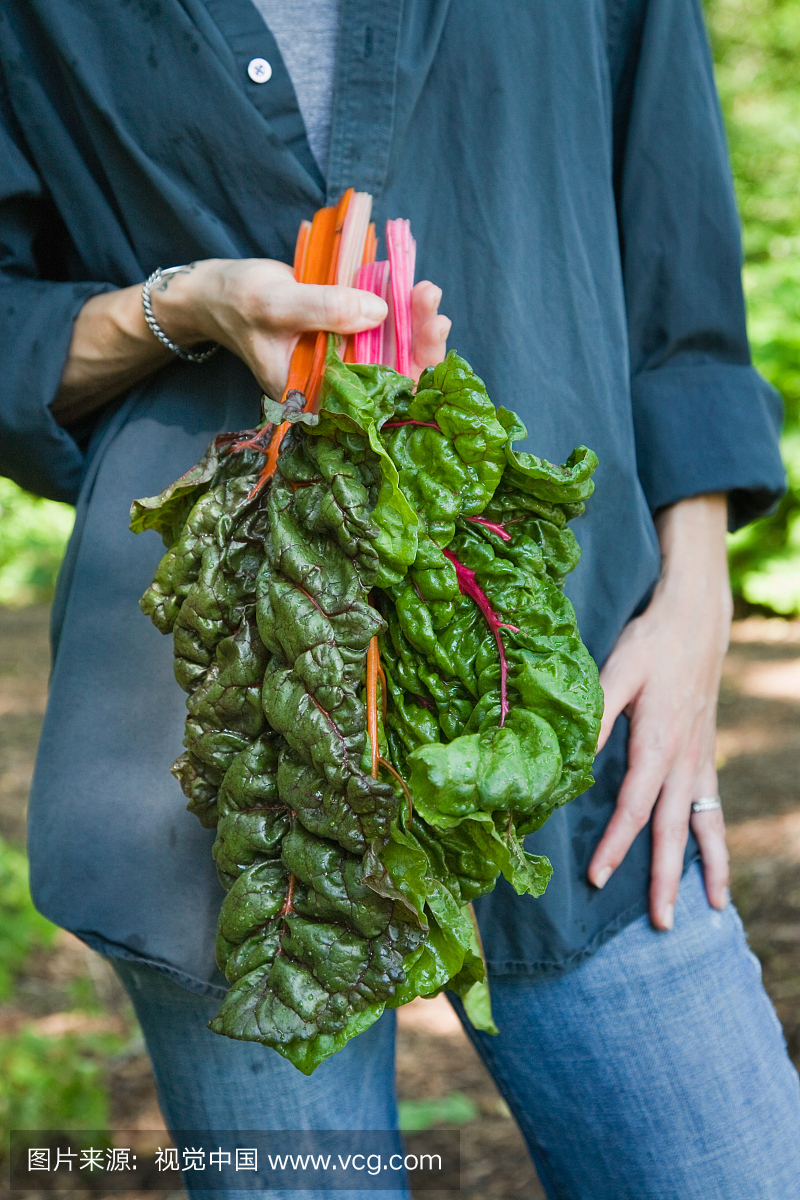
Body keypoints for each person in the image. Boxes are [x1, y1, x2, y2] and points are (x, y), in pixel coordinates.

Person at [2, 0, 799, 1195]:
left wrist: (694, 613)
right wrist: (183, 305)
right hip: (227, 721)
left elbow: (677, 287)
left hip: (557, 682)